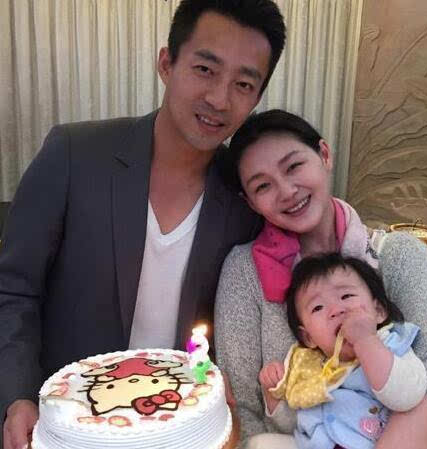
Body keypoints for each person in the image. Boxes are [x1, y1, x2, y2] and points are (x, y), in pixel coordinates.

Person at [0, 1, 286, 448]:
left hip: (176, 428)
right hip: (65, 427)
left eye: (243, 84)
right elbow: (14, 289)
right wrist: (16, 396)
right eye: (205, 69)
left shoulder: (243, 197)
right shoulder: (74, 154)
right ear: (166, 63)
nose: (219, 99)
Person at [214, 109, 427, 448]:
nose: (287, 191)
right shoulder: (244, 272)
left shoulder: (397, 255)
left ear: (324, 155)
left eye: (293, 166)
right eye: (263, 185)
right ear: (250, 202)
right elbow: (242, 409)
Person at [250, 252, 427, 449]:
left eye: (346, 296)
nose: (336, 310)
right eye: (318, 307)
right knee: (258, 444)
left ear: (378, 311)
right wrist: (273, 396)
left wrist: (366, 341)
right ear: (308, 337)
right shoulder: (310, 368)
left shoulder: (390, 345)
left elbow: (408, 397)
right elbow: (294, 425)